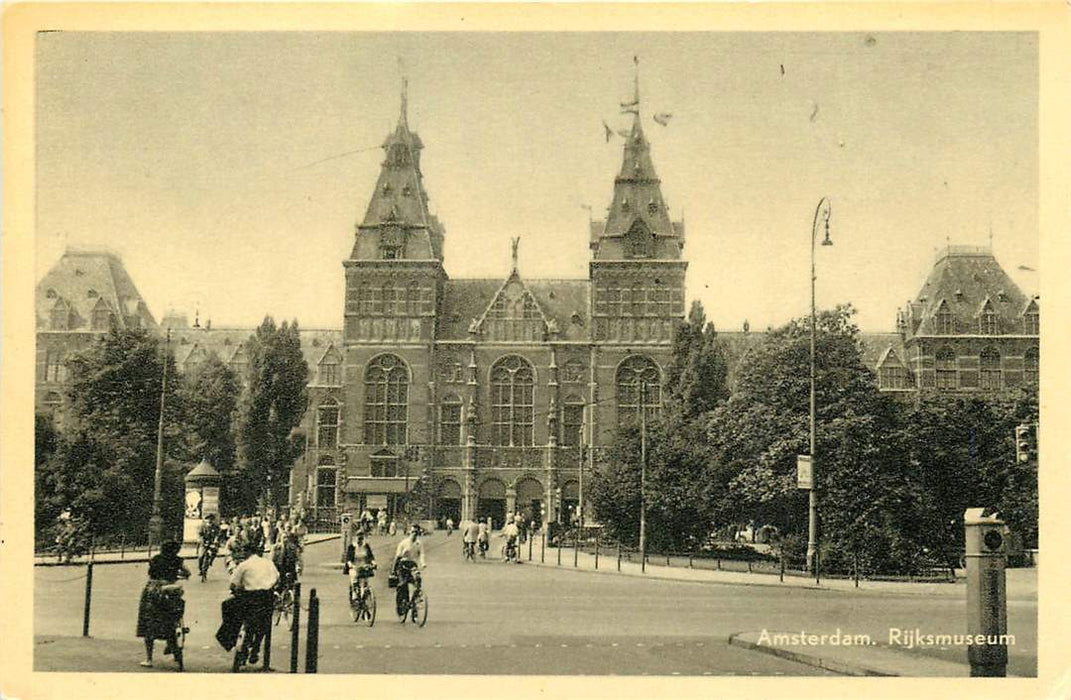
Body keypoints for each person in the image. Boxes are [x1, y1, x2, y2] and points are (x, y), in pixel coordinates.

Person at [216, 543, 279, 665]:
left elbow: (234, 583)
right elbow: (277, 577)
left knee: (227, 606)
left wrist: (235, 589)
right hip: (266, 598)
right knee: (264, 623)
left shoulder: (244, 565)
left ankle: (230, 636)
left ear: (248, 552)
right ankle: (255, 649)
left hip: (250, 598)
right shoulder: (268, 563)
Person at [136, 540, 190, 668]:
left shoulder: (155, 559)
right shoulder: (178, 560)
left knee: (149, 622)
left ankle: (149, 659)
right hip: (171, 588)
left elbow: (150, 573)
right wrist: (178, 575)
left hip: (154, 590)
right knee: (173, 616)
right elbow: (187, 573)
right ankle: (174, 648)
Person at [391, 525, 427, 619]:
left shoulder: (419, 544)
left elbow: (421, 554)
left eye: (416, 533)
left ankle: (415, 604)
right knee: (403, 584)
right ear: (410, 533)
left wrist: (423, 564)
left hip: (412, 565)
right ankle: (401, 605)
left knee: (418, 580)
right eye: (413, 532)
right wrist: (393, 570)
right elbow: (398, 557)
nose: (414, 535)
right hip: (402, 565)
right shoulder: (404, 543)